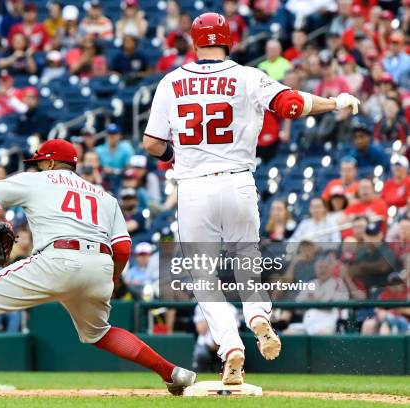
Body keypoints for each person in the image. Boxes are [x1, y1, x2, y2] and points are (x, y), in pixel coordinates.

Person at [142, 12, 361, 386]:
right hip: (240, 181)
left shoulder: (171, 82)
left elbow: (151, 144)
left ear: (195, 42)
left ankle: (231, 349)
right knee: (247, 259)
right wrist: (333, 102)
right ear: (228, 40)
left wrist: (175, 156)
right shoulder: (247, 75)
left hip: (193, 186)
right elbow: (290, 105)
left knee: (203, 275)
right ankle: (258, 316)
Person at [0, 139, 195, 396]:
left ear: (51, 162)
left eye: (40, 162)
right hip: (100, 265)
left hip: (58, 257)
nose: (38, 166)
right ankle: (172, 373)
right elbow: (123, 248)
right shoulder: (105, 196)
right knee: (99, 332)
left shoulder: (36, 179)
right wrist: (108, 278)